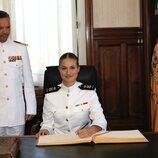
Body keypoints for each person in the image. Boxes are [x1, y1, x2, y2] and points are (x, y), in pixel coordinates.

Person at [36, 52, 107, 138]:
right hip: (57, 142)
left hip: (82, 141)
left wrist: (91, 130)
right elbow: (47, 124)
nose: (68, 72)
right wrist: (45, 131)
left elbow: (100, 120)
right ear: (59, 70)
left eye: (72, 68)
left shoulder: (89, 93)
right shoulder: (50, 95)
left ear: (78, 69)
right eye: (64, 68)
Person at [0, 10, 37, 136]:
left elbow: (28, 80)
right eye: (0, 28)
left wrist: (31, 107)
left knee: (17, 151)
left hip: (16, 112)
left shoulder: (20, 49)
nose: (5, 31)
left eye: (7, 27)